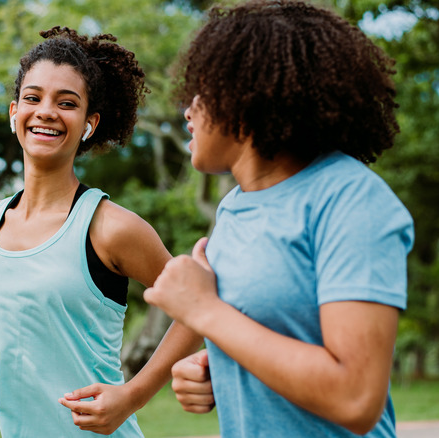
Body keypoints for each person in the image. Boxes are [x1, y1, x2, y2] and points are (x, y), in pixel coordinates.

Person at [143, 1, 414, 437]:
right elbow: (268, 333)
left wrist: (206, 312)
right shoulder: (233, 208)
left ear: (247, 96)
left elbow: (356, 397)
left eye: (202, 93)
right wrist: (219, 370)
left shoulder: (352, 200)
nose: (187, 110)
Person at [0, 27, 202, 437]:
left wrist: (133, 396)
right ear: (14, 111)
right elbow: (1, 332)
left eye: (67, 103)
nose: (46, 112)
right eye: (33, 98)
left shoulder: (110, 227)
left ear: (89, 123)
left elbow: (198, 307)